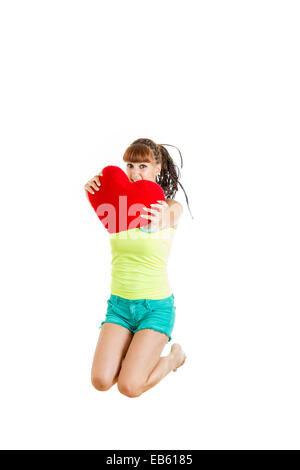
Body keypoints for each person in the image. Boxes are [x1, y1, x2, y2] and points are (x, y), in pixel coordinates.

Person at [85, 138, 193, 398]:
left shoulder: (169, 207)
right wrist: (92, 191)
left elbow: (164, 219)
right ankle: (133, 352)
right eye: (130, 165)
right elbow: (105, 208)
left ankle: (173, 358)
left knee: (129, 387)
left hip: (154, 308)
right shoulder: (119, 205)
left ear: (157, 168)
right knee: (100, 381)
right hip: (119, 306)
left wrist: (157, 220)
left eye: (143, 166)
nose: (135, 173)